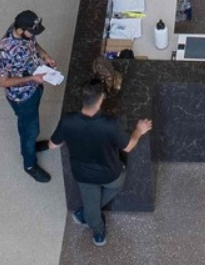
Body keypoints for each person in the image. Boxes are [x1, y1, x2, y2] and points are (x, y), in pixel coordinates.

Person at [48, 81, 151, 247]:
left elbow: (53, 145)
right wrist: (139, 129)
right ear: (101, 99)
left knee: (91, 203)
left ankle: (98, 234)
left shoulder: (68, 121)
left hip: (82, 174)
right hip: (110, 174)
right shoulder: (110, 124)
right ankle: (88, 214)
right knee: (116, 184)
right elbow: (129, 146)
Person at [0, 10, 57, 183]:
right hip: (23, 97)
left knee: (32, 126)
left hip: (35, 84)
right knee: (30, 131)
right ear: (21, 30)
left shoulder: (25, 34)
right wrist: (31, 78)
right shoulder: (6, 49)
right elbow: (2, 81)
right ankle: (29, 164)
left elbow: (33, 44)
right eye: (32, 32)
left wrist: (44, 56)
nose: (34, 35)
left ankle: (32, 146)